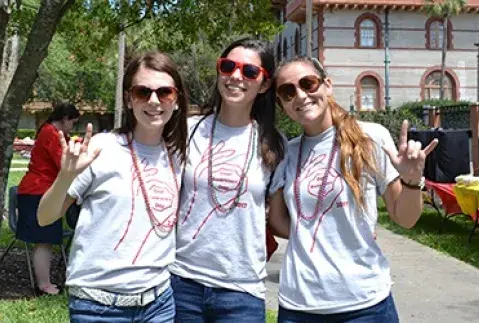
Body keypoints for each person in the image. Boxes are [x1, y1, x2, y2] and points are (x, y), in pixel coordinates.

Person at [270, 56, 438, 322]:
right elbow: (278, 222)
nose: (300, 95)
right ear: (282, 104)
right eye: (288, 92)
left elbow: (405, 219)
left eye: (308, 83)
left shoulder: (370, 137)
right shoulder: (287, 153)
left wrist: (411, 179)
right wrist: (312, 236)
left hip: (364, 303)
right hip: (299, 305)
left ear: (327, 85)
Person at [37, 51, 188, 322]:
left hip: (159, 304)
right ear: (129, 99)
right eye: (143, 92)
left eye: (164, 92)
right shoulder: (101, 148)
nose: (154, 101)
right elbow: (45, 216)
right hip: (98, 306)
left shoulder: (179, 156)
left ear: (176, 100)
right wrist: (65, 177)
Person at [169, 38, 286, 322]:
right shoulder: (187, 130)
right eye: (228, 66)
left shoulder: (274, 144)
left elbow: (281, 219)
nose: (235, 76)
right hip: (182, 282)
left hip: (242, 290)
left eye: (249, 72)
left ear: (265, 84)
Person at [16, 102, 80, 295]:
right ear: (65, 118)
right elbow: (64, 164)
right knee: (43, 240)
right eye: (73, 123)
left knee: (46, 240)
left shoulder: (50, 132)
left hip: (40, 190)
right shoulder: (51, 134)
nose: (72, 128)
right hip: (38, 191)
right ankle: (44, 285)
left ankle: (45, 282)